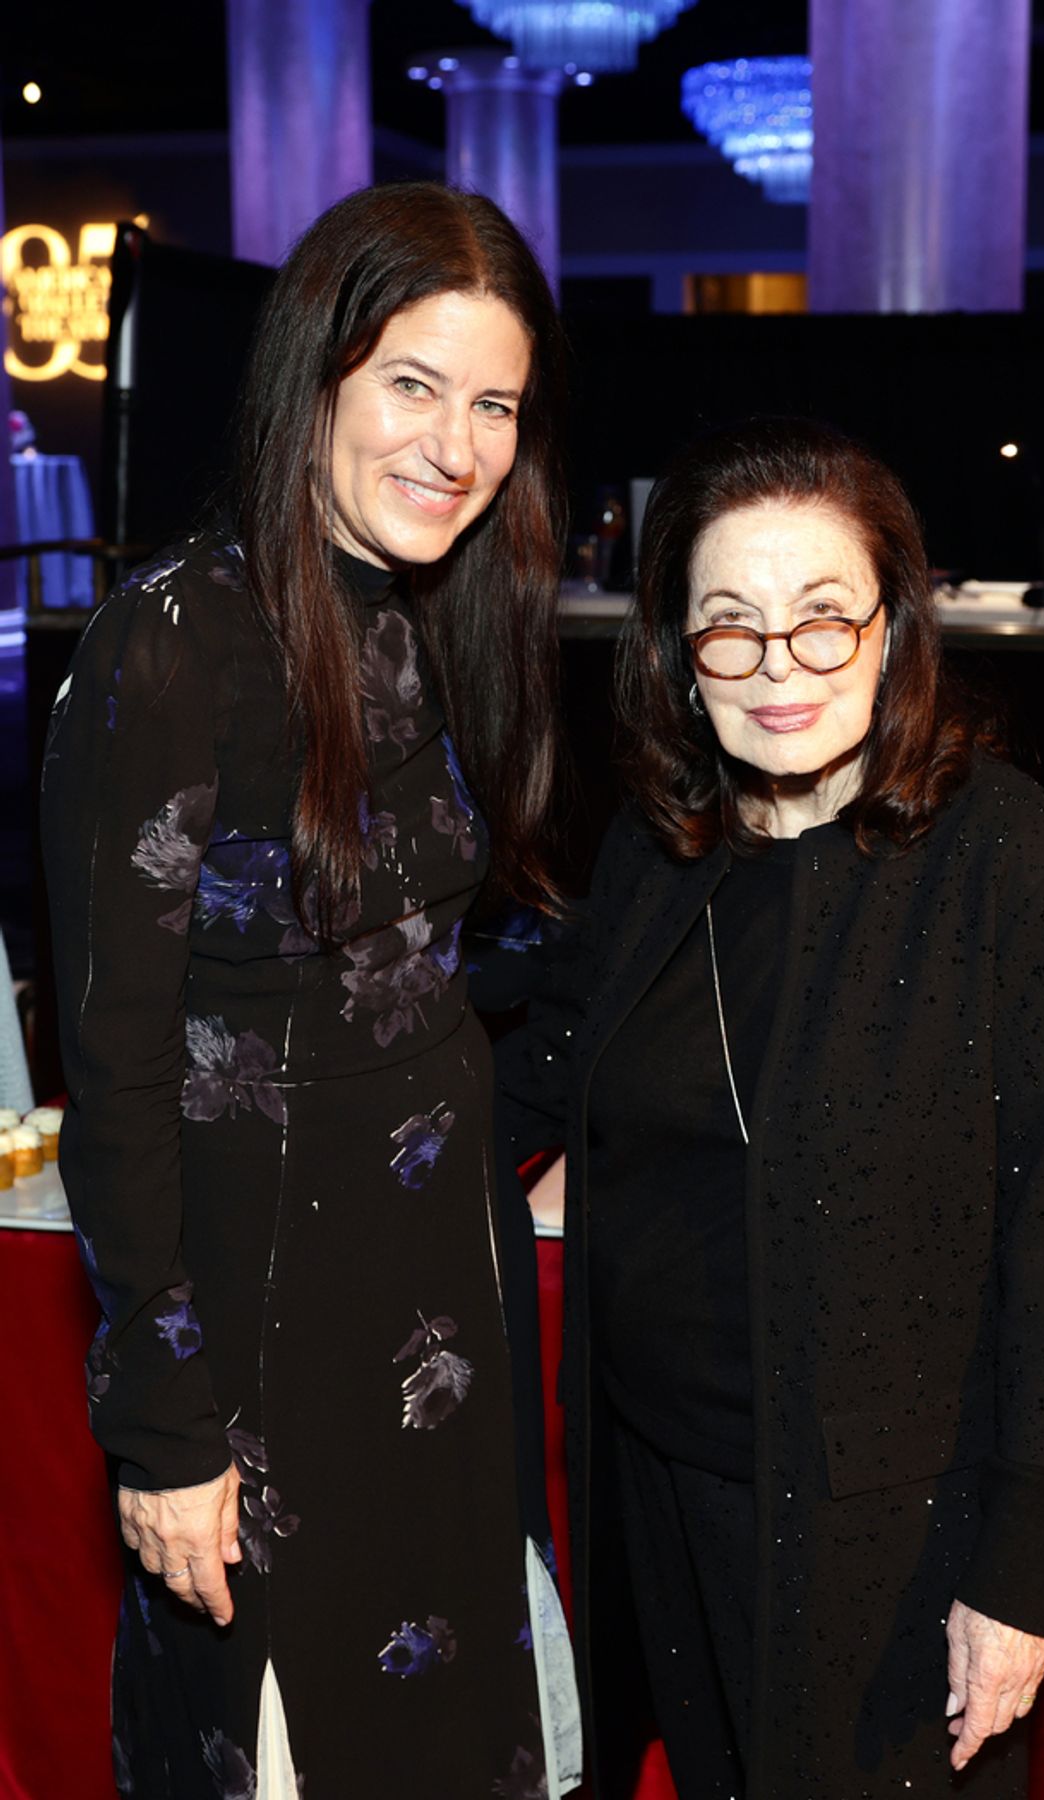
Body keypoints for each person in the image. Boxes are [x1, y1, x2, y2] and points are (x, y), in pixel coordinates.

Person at [494, 417, 1044, 1798]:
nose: (777, 668)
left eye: (822, 621)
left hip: (890, 1537)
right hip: (656, 1493)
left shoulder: (1014, 867)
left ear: (895, 629)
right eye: (730, 627)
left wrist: (1024, 1581)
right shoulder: (655, 844)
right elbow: (546, 1064)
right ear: (679, 655)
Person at [42, 182, 581, 1798]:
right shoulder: (173, 646)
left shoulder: (435, 616)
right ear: (317, 375)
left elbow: (424, 965)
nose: (458, 444)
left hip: (439, 1309)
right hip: (262, 1346)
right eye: (413, 385)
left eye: (494, 403)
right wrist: (165, 1426)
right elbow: (116, 1066)